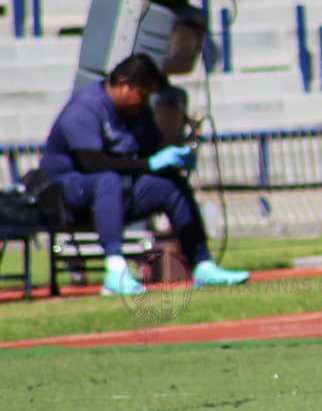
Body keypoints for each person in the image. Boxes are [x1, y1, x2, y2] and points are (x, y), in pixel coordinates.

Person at [40, 53, 250, 296]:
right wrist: (151, 164)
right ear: (123, 84)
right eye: (142, 94)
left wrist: (175, 158)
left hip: (117, 193)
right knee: (108, 179)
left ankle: (202, 265)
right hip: (68, 194)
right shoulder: (84, 108)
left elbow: (151, 152)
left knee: (171, 185)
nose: (144, 101)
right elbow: (92, 163)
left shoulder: (138, 111)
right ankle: (115, 270)